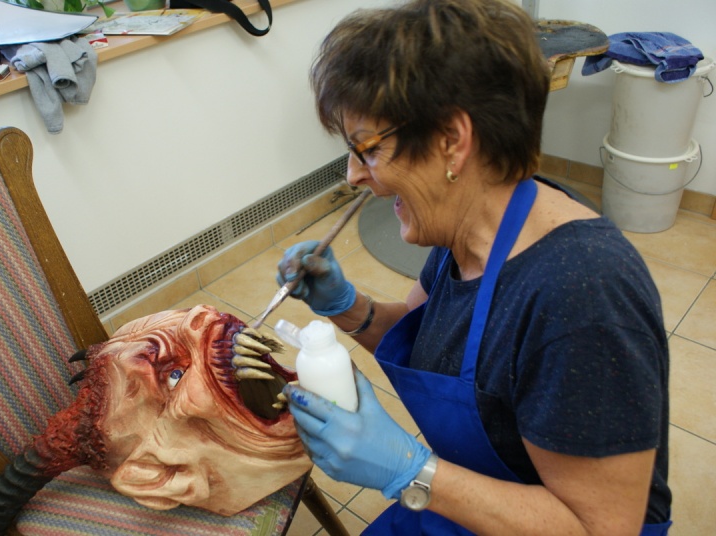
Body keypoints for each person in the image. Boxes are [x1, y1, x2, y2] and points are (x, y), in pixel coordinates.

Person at [276, 0, 672, 534]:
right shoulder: (469, 224)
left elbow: (601, 529)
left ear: (451, 142)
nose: (353, 176)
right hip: (467, 503)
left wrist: (412, 472)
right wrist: (348, 308)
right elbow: (431, 342)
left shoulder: (583, 293)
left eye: (366, 149)